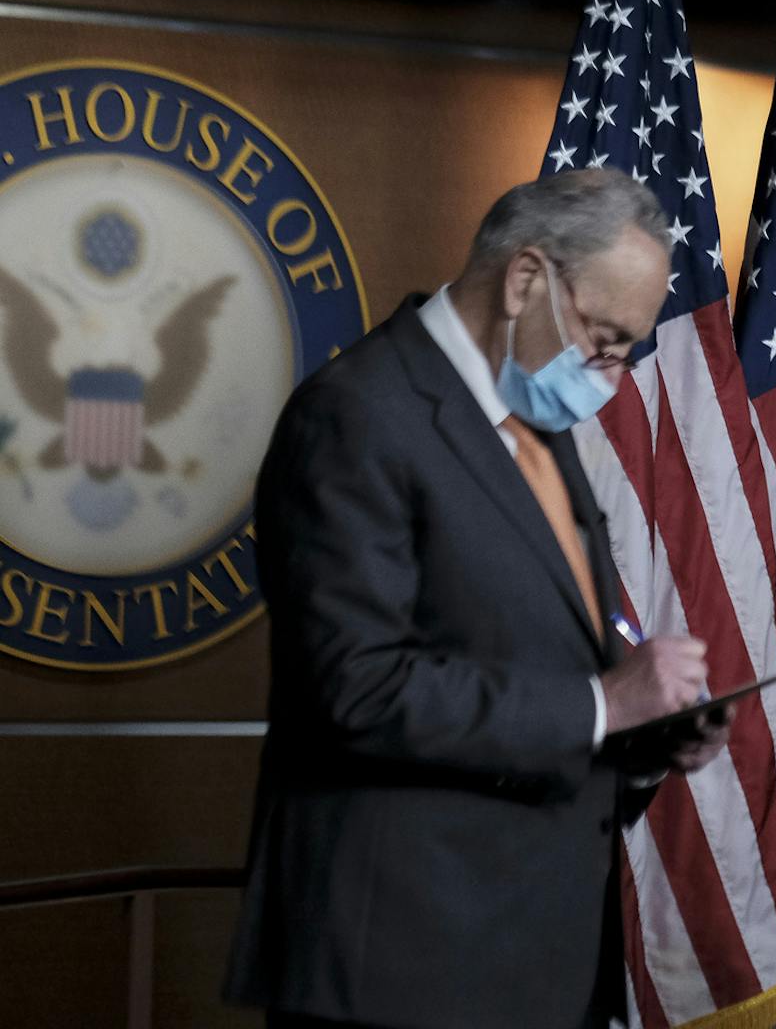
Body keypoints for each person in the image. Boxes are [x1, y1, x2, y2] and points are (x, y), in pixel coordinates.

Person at [226, 169, 729, 1029]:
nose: (608, 379)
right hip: (401, 970)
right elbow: (357, 688)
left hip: (534, 958)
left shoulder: (532, 428)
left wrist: (638, 735)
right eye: (604, 341)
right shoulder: (355, 416)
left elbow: (556, 657)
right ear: (526, 279)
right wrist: (600, 702)